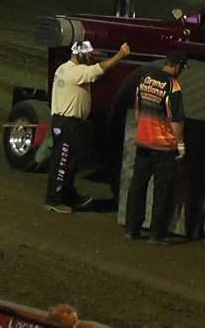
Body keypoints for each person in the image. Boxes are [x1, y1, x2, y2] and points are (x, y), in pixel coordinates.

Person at [44, 41, 131, 214]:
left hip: (68, 123)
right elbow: (100, 69)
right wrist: (120, 55)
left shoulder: (64, 69)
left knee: (71, 162)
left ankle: (67, 195)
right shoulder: (75, 72)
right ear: (80, 54)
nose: (91, 58)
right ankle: (54, 199)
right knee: (63, 163)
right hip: (68, 123)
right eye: (89, 55)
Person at [124, 50, 188, 245]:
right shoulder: (173, 86)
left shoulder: (144, 79)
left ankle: (131, 229)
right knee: (162, 190)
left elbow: (137, 109)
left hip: (143, 140)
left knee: (138, 186)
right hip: (163, 146)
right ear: (177, 67)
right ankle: (156, 234)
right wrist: (181, 144)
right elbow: (176, 120)